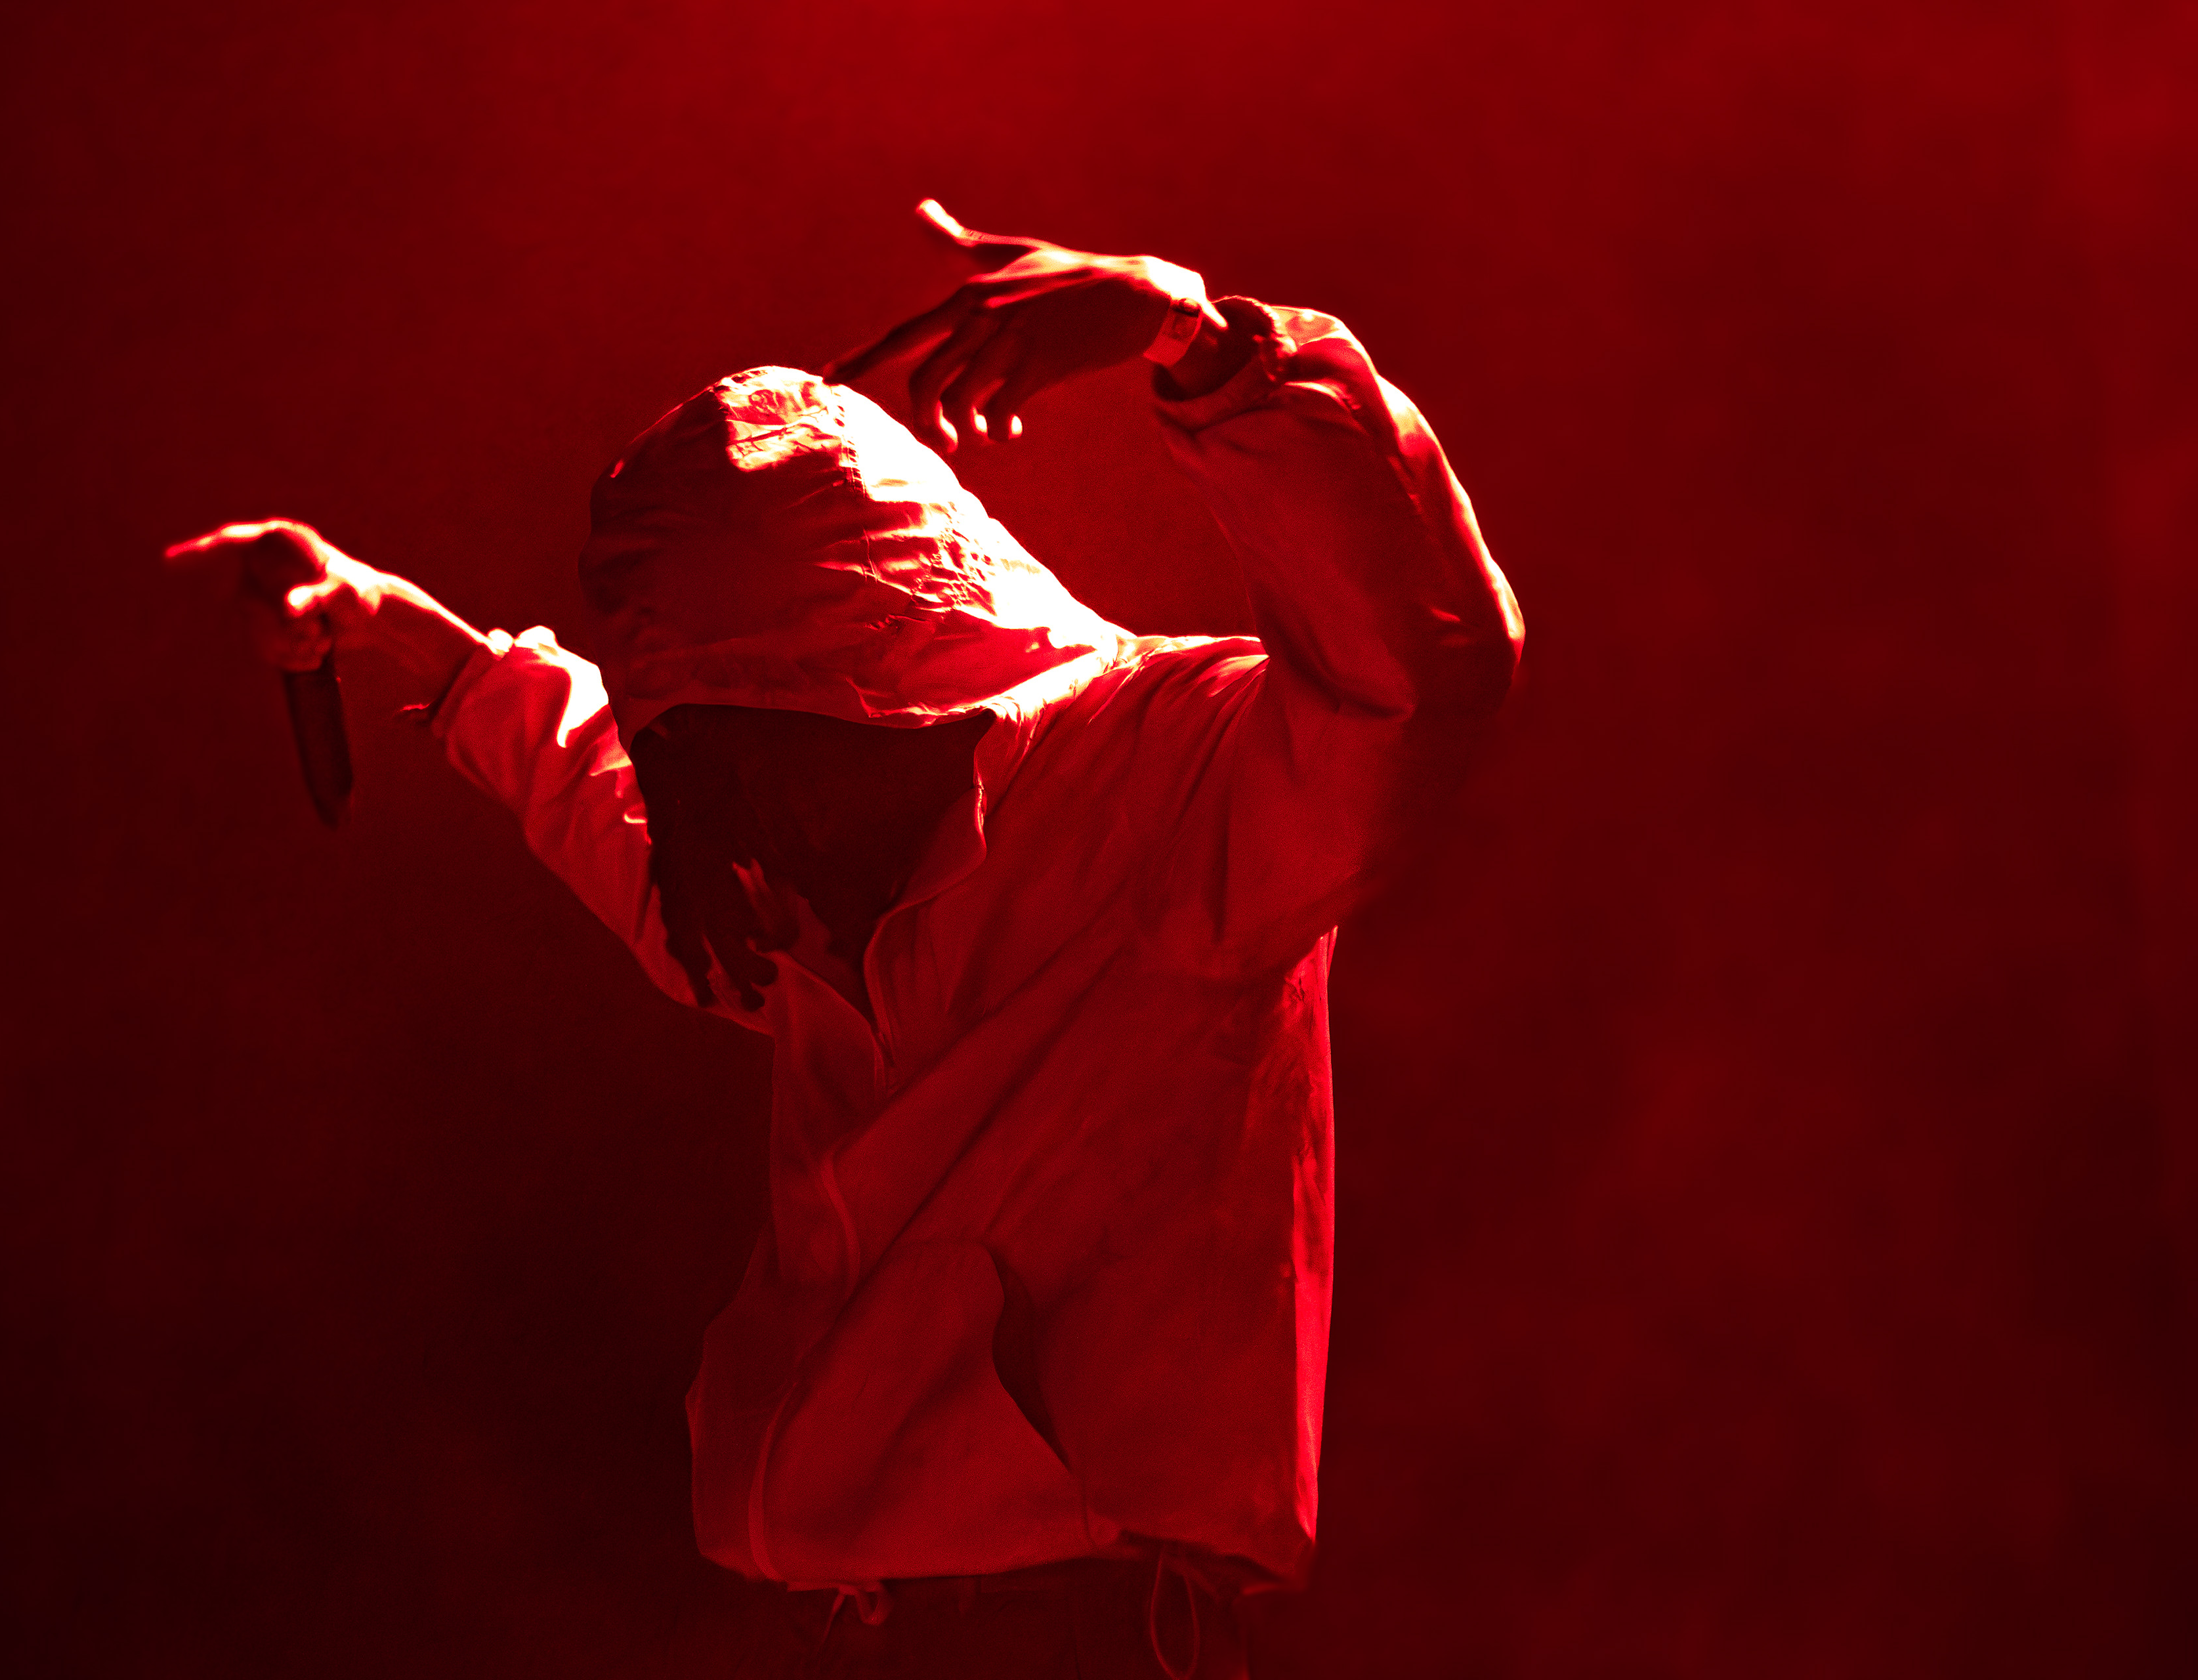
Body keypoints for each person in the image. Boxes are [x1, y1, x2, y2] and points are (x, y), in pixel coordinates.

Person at [173, 201, 1521, 1678]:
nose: (739, 829)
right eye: (698, 769)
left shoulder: (1170, 788)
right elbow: (615, 812)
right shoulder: (805, 888)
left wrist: (1200, 343)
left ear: (884, 662)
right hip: (860, 1627)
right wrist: (396, 628)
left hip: (1067, 1635)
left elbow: (1421, 668)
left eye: (759, 749)